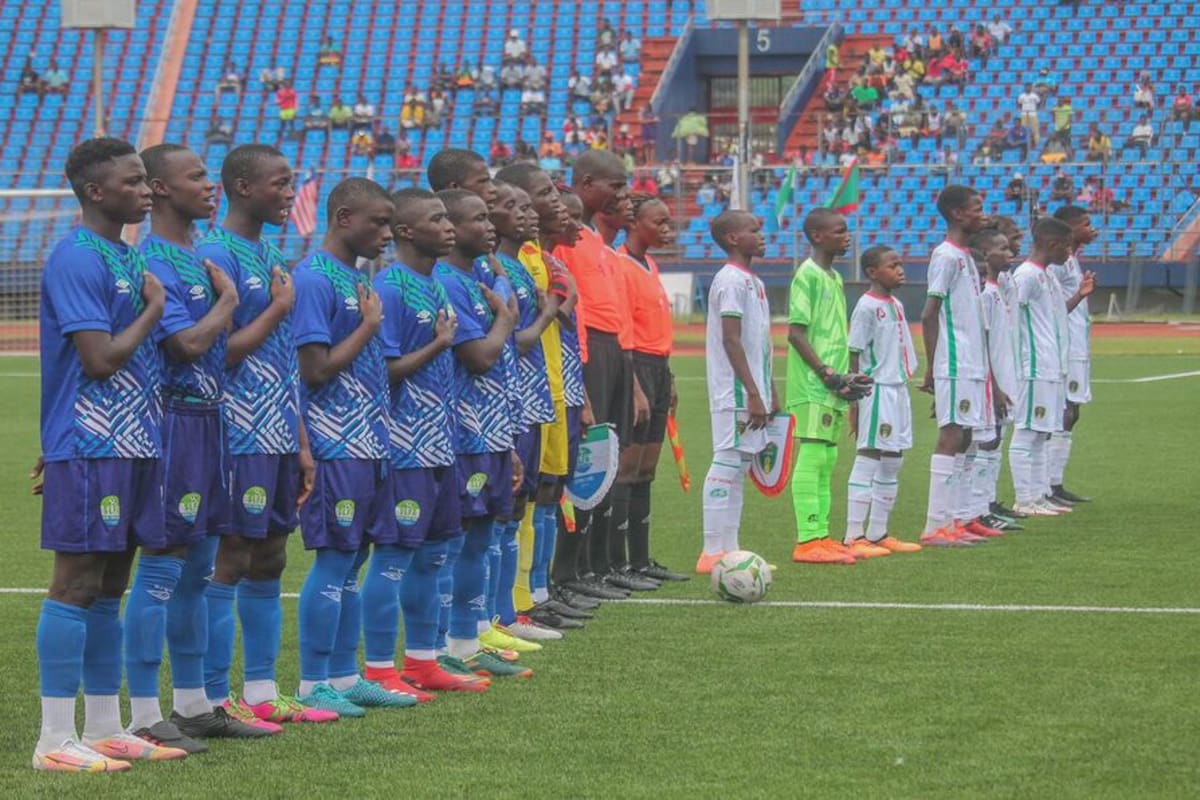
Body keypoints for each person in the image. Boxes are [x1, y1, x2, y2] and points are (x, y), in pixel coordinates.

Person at [31, 137, 180, 772]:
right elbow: (98, 359)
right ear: (96, 191)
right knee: (76, 583)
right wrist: (153, 310)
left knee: (111, 587)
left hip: (134, 439)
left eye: (147, 180)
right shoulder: (76, 257)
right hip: (93, 442)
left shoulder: (120, 254)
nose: (147, 190)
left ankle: (103, 726)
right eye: (134, 181)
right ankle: (53, 740)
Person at [133, 144, 277, 747]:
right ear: (159, 189)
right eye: (194, 177)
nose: (208, 185)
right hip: (171, 422)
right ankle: (143, 713)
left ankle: (195, 704)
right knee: (162, 569)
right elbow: (183, 347)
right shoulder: (154, 260)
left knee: (197, 569)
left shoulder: (194, 256)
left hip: (213, 423)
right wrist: (226, 305)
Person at [196, 145, 333, 725]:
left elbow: (282, 361)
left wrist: (301, 440)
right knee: (229, 560)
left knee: (272, 558)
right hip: (236, 432)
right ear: (244, 187)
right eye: (280, 184)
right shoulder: (214, 255)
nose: (289, 192)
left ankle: (260, 691)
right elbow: (214, 354)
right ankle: (209, 695)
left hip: (278, 431)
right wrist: (277, 309)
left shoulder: (270, 253)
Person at [291, 178, 414, 715]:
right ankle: (312, 680)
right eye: (378, 223)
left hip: (369, 443)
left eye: (390, 223)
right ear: (343, 218)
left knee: (354, 559)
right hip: (334, 445)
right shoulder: (315, 279)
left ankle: (344, 675)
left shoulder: (355, 278)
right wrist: (367, 327)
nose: (385, 234)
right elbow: (313, 369)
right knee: (334, 559)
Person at [367, 188, 490, 696]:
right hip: (404, 444)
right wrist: (440, 342)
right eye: (437, 219)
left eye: (448, 218)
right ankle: (378, 669)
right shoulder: (392, 287)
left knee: (438, 552)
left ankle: (423, 660)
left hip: (441, 442)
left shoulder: (433, 285)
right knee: (395, 557)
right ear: (405, 232)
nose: (449, 227)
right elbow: (386, 372)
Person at [433, 189, 532, 675]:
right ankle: (441, 647)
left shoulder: (475, 280)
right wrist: (506, 321)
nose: (490, 225)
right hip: (464, 433)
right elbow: (479, 356)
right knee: (457, 539)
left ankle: (468, 641)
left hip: (492, 432)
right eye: (478, 218)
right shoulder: (448, 283)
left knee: (479, 537)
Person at [485, 179, 567, 641]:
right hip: (501, 404)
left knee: (517, 504)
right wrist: (547, 311)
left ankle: (510, 610)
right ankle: (498, 614)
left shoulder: (515, 268)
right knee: (501, 511)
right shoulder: (500, 269)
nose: (527, 212)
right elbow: (518, 338)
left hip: (524, 398)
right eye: (511, 205)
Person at [786, 209, 870, 565]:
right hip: (813, 382)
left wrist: (845, 377)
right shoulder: (806, 275)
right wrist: (825, 373)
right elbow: (795, 332)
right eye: (839, 231)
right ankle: (807, 540)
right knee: (815, 453)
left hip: (832, 382)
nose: (846, 236)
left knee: (829, 456)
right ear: (818, 236)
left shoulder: (833, 277)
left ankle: (821, 534)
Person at [697, 210, 778, 573]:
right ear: (732, 238)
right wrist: (752, 392)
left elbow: (759, 343)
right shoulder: (729, 280)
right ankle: (711, 549)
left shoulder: (753, 282)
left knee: (740, 464)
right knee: (727, 459)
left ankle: (731, 549)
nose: (762, 235)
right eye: (754, 230)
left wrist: (769, 388)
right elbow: (731, 339)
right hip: (733, 391)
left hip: (751, 388)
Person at [918, 185, 993, 547]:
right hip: (955, 360)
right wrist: (932, 367)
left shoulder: (964, 255)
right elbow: (929, 313)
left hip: (970, 362)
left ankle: (956, 520)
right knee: (951, 436)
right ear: (958, 214)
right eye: (977, 208)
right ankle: (935, 526)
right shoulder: (945, 256)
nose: (983, 213)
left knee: (965, 437)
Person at [1009, 217, 1094, 516]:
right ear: (1052, 244)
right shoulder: (1026, 276)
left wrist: (1080, 295)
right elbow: (1011, 318)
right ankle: (1024, 499)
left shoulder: (1046, 276)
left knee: (1042, 431)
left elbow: (1057, 314)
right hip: (1033, 366)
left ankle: (1038, 495)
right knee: (1028, 430)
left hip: (1051, 365)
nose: (1068, 253)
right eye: (1067, 247)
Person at [844, 247, 922, 556]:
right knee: (869, 455)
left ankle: (878, 532)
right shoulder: (865, 307)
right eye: (893, 265)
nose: (900, 269)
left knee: (894, 460)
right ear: (873, 272)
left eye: (901, 263)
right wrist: (854, 400)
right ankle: (853, 536)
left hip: (898, 389)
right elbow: (854, 352)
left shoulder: (897, 305)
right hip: (876, 389)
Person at [972, 227, 1024, 530]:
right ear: (985, 254)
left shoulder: (997, 289)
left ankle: (988, 504)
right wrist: (997, 386)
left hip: (1004, 379)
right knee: (986, 444)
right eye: (1002, 249)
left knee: (995, 442)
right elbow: (984, 344)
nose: (1010, 253)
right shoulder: (986, 294)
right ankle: (979, 509)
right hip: (994, 384)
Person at [1047, 205, 1099, 506]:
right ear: (1068, 228)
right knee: (1063, 412)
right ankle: (1049, 485)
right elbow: (1052, 308)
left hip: (1076, 346)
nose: (1092, 229)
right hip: (1064, 347)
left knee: (1072, 412)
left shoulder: (1071, 260)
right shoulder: (1058, 264)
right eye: (1086, 224)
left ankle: (1055, 483)